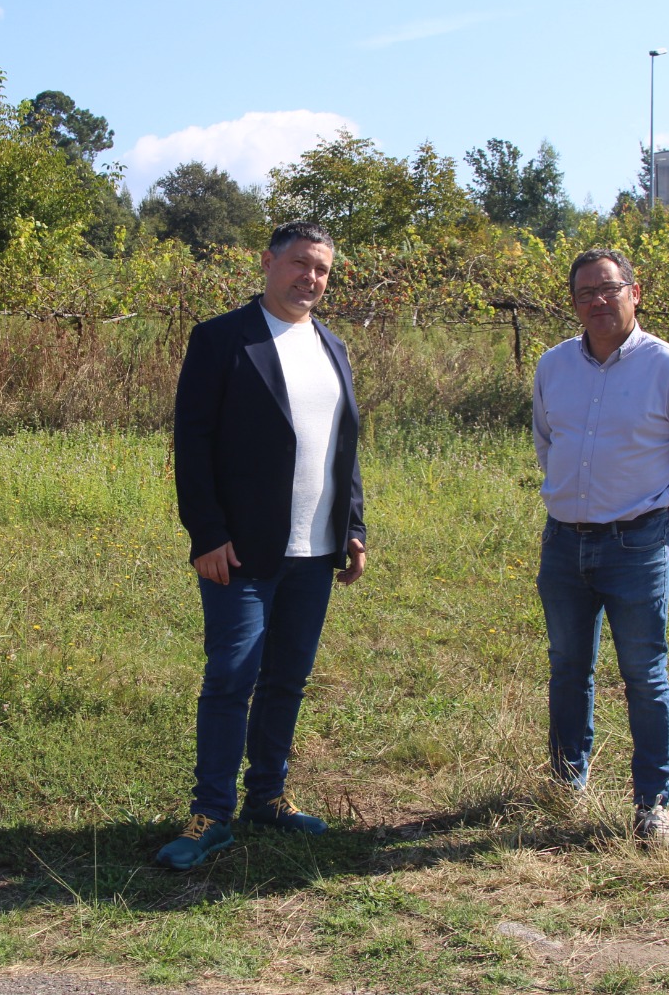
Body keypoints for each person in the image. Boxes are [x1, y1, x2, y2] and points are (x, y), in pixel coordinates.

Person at [158, 220, 367, 871]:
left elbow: (344, 447)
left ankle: (268, 796)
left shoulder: (332, 347)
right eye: (301, 263)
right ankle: (210, 814)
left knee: (286, 680)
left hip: (314, 548)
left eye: (323, 269)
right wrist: (208, 533)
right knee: (231, 677)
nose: (312, 277)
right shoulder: (223, 339)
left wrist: (354, 526)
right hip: (240, 549)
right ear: (269, 263)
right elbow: (191, 442)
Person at [531, 248, 669, 853]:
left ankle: (652, 809)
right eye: (585, 292)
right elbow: (547, 442)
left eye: (609, 289)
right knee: (569, 666)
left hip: (636, 544)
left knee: (643, 674)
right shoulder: (553, 366)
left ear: (634, 293)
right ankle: (567, 781)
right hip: (564, 542)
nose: (598, 300)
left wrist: (663, 521)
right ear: (573, 302)